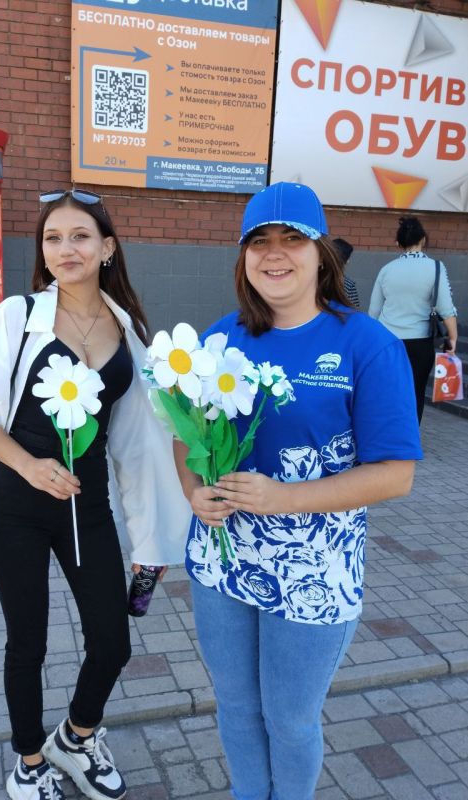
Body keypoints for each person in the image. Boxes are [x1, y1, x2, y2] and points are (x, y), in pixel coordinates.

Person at [172, 182, 423, 800]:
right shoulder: (220, 337)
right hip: (223, 561)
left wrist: (285, 498)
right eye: (260, 241)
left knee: (288, 719)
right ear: (243, 255)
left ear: (320, 254)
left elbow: (396, 473)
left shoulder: (366, 344)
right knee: (234, 705)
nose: (275, 253)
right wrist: (192, 489)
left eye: (292, 238)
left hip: (314, 571)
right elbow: (183, 433)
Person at [0, 188, 190, 800]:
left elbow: (138, 445)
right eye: (53, 238)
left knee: (112, 639)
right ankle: (30, 760)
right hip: (16, 502)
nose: (66, 248)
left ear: (107, 247)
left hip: (86, 508)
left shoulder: (131, 332)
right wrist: (29, 466)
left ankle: (76, 738)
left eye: (81, 236)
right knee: (27, 640)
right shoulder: (18, 315)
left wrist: (151, 536)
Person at [368, 215, 457, 423]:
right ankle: (408, 439)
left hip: (387, 341)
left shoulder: (387, 270)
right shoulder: (436, 268)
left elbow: (373, 312)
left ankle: (383, 431)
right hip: (420, 342)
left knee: (387, 390)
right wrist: (452, 339)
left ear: (398, 243)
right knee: (415, 391)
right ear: (423, 239)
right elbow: (446, 307)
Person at [332, 237, 360, 307]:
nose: (348, 261)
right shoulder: (348, 285)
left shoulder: (314, 280)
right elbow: (354, 311)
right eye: (348, 258)